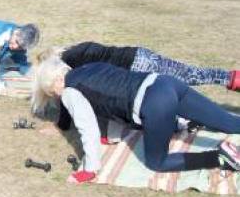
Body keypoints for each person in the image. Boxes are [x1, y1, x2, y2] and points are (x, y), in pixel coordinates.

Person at [32, 57, 240, 184]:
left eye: (53, 92)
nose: (58, 96)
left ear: (59, 80)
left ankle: (220, 157)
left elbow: (88, 129)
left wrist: (89, 170)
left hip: (155, 103)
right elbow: (108, 97)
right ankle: (187, 124)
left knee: (157, 162)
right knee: (230, 122)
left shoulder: (69, 91)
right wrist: (112, 137)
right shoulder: (89, 67)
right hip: (165, 82)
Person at [38, 42, 240, 133]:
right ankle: (231, 79)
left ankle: (194, 117)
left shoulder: (69, 62)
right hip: (139, 55)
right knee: (190, 75)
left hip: (137, 69)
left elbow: (68, 94)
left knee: (183, 84)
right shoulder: (76, 50)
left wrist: (62, 125)